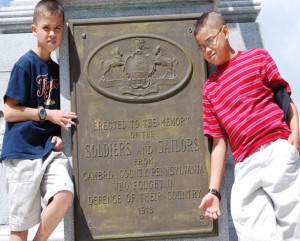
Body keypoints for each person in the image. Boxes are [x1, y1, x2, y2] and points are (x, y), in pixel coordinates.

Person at [193, 11, 300, 241]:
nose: (208, 50)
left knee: (295, 222)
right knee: (250, 227)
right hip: (245, 163)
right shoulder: (210, 89)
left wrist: (295, 136)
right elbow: (219, 144)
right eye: (202, 48)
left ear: (225, 31)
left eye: (210, 41)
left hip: (275, 151)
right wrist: (214, 191)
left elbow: (284, 97)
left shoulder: (258, 58)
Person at [0, 0, 77, 240]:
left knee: (64, 194)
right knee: (19, 228)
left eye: (57, 28)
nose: (52, 33)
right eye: (46, 28)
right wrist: (47, 114)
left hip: (46, 152)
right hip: (22, 152)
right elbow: (10, 111)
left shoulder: (56, 70)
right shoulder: (25, 64)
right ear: (35, 30)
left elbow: (56, 110)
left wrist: (57, 134)